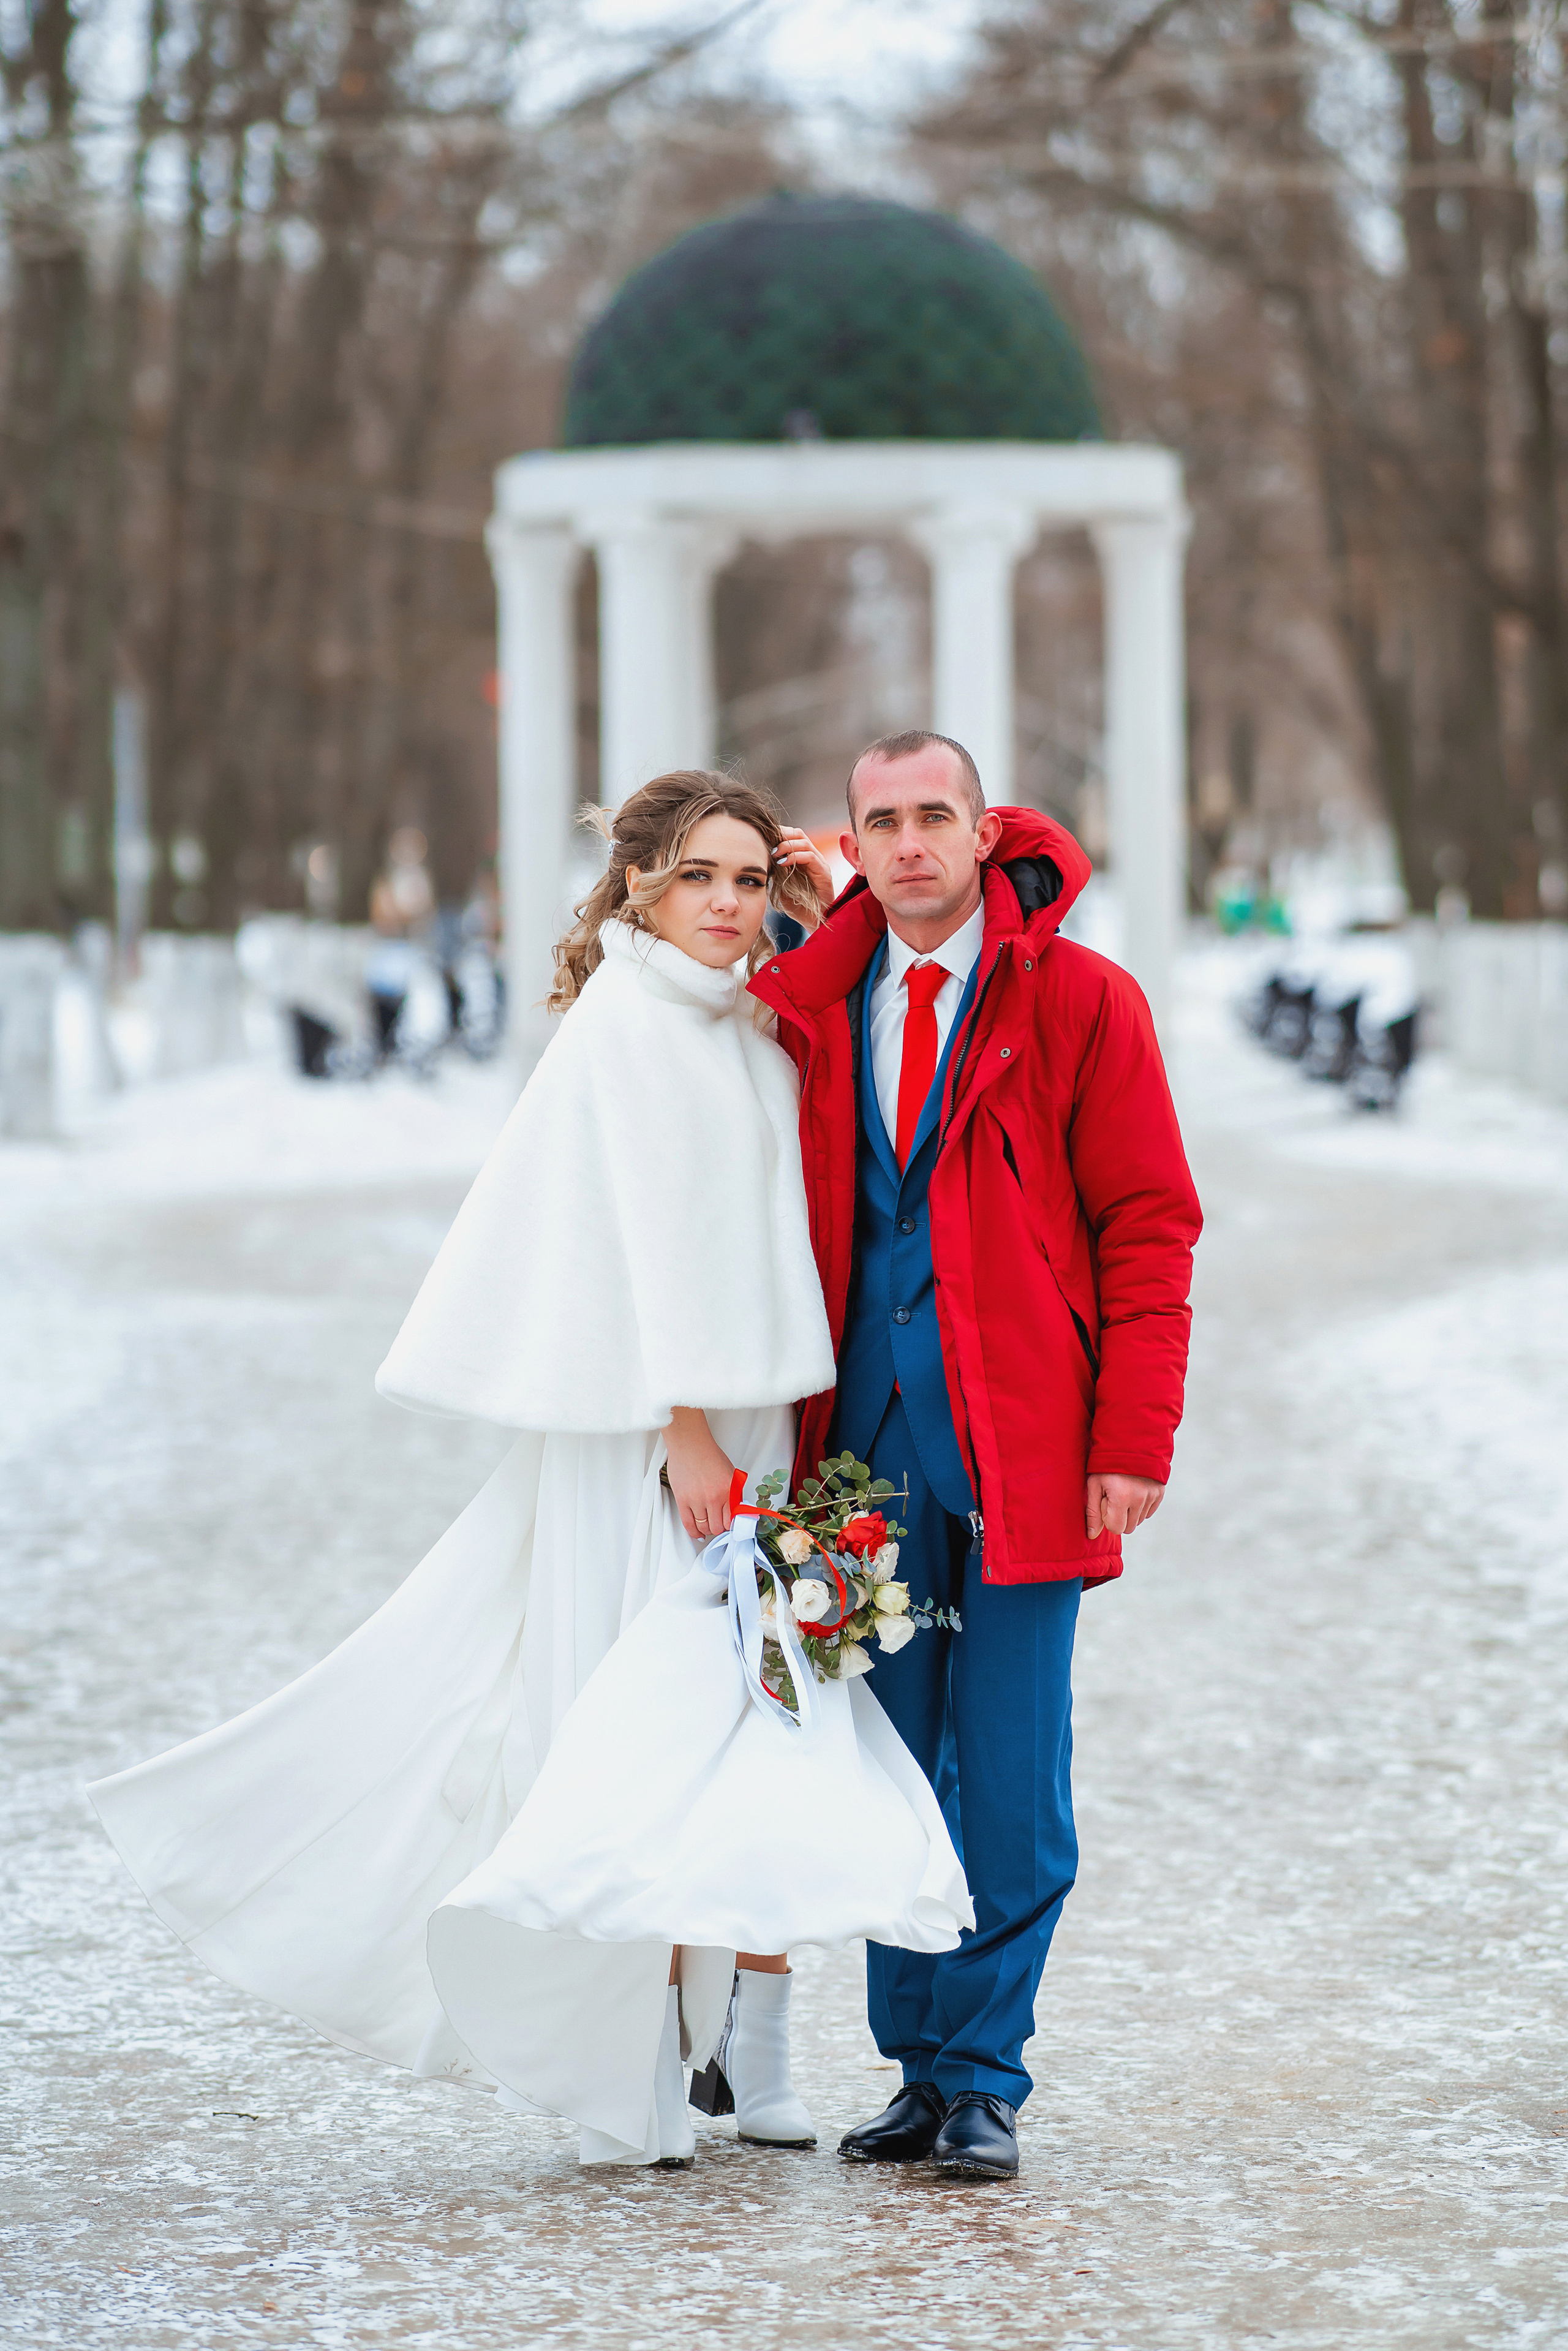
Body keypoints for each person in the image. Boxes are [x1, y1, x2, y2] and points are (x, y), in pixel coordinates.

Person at [88, 772, 971, 2170]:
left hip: (760, 1419)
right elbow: (634, 1237)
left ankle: (749, 2047)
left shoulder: (751, 1011)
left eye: (749, 877)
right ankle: (638, 2060)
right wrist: (679, 1423)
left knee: (765, 1707)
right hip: (653, 1428)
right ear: (640, 886)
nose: (730, 904)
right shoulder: (624, 1022)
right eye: (699, 877)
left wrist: (839, 876)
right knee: (659, 1718)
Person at [750, 732, 1202, 2181]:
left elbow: (1148, 1222)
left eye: (932, 814)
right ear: (853, 841)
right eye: (877, 820)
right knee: (884, 1765)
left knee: (1008, 1776)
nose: (906, 844)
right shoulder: (813, 1011)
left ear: (980, 823)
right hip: (856, 1457)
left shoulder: (1079, 999)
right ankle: (915, 2068)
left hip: (1026, 1445)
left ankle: (985, 2073)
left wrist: (1131, 1435)